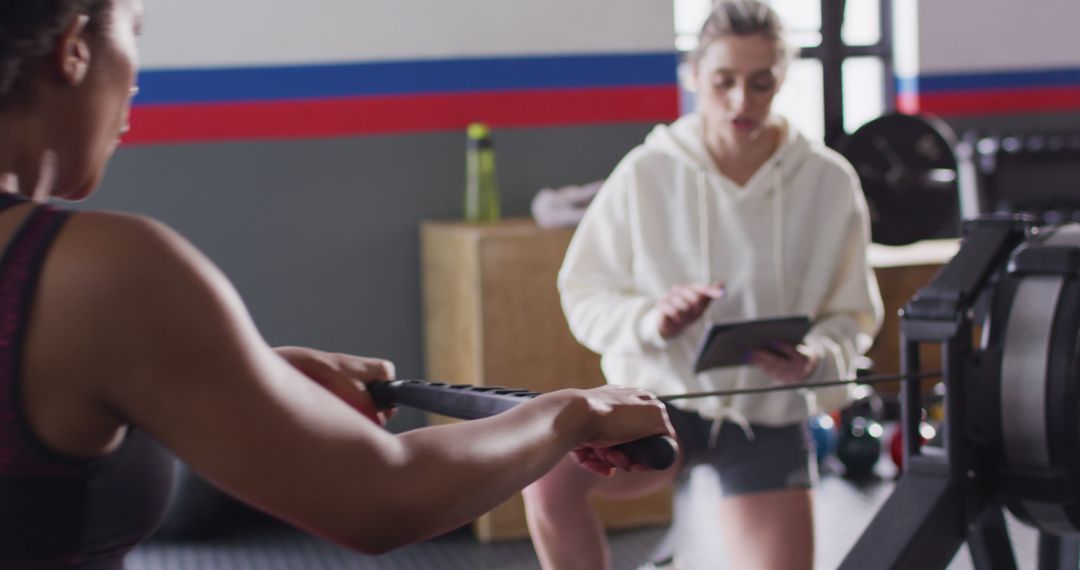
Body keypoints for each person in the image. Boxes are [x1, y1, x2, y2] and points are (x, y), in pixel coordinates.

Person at [0, 0, 677, 567]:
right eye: (135, 32)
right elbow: (383, 498)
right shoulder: (106, 273)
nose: (137, 83)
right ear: (72, 48)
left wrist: (249, 376)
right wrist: (572, 414)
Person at [522, 1, 884, 568]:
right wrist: (652, 319)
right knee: (546, 478)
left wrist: (815, 358)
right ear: (693, 76)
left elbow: (854, 316)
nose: (743, 101)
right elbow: (585, 291)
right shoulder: (646, 172)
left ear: (782, 78)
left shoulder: (829, 181)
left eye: (761, 83)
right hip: (663, 401)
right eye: (724, 82)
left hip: (767, 411)